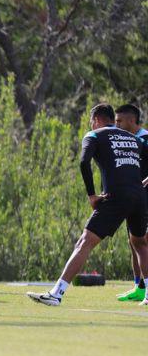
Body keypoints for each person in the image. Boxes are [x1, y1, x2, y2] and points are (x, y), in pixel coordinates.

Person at [29, 104, 148, 306]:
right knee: (140, 243)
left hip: (116, 195)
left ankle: (56, 294)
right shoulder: (134, 138)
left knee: (85, 241)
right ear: (112, 119)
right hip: (140, 196)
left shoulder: (94, 135)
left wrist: (92, 195)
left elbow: (84, 162)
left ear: (96, 120)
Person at [114, 103, 148, 302]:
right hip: (135, 199)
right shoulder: (128, 141)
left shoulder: (144, 139)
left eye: (119, 121)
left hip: (145, 198)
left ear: (131, 121)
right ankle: (139, 287)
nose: (116, 125)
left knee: (142, 242)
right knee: (134, 242)